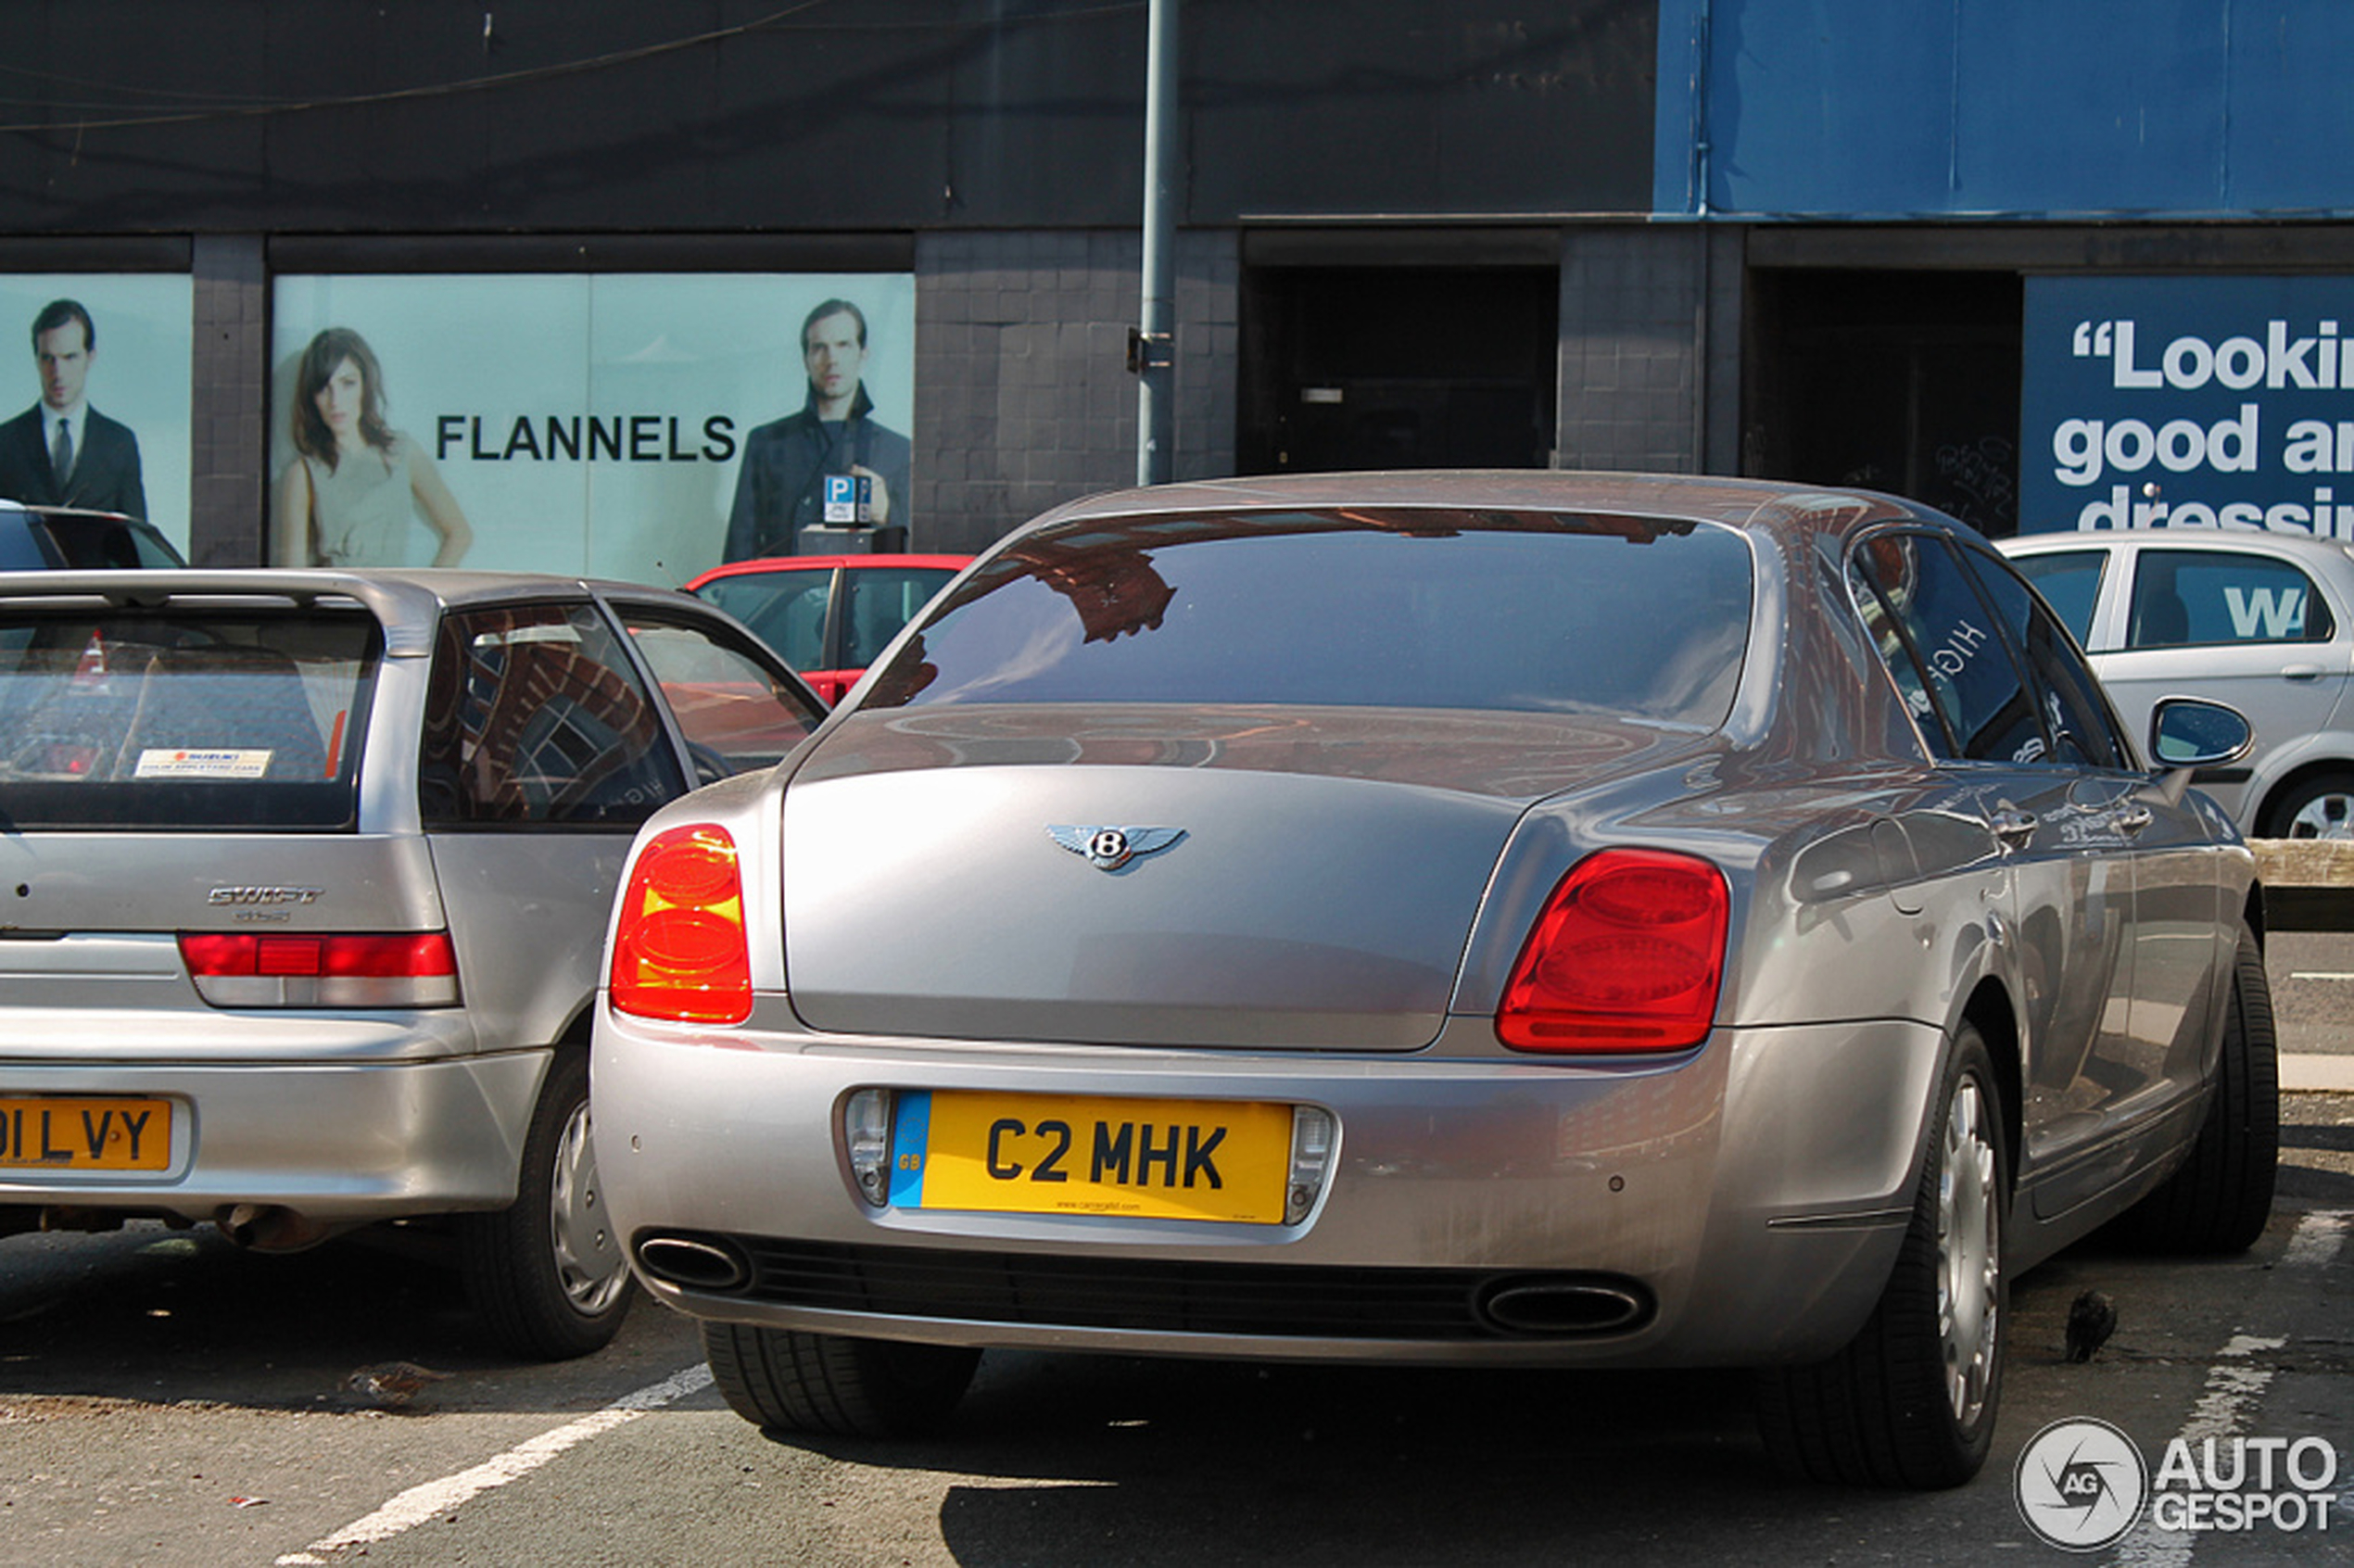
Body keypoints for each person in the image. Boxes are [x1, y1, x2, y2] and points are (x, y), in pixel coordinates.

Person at [724, 297, 912, 561]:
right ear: (806, 358)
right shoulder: (768, 443)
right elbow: (740, 544)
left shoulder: (898, 451)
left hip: (863, 597)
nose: (831, 359)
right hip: (784, 596)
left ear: (863, 353)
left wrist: (889, 513)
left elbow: (919, 551)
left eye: (843, 345)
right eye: (819, 347)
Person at [277, 326, 473, 568]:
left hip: (395, 599)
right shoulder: (304, 473)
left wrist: (424, 594)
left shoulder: (402, 452)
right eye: (323, 388)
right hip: (336, 600)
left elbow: (459, 533)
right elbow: (294, 576)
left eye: (347, 383)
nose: (335, 401)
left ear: (364, 386)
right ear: (312, 397)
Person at [0, 298, 148, 520]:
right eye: (48, 358)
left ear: (90, 357)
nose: (57, 372)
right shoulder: (7, 441)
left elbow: (134, 540)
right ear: (37, 360)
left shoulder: (118, 444)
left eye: (70, 357)